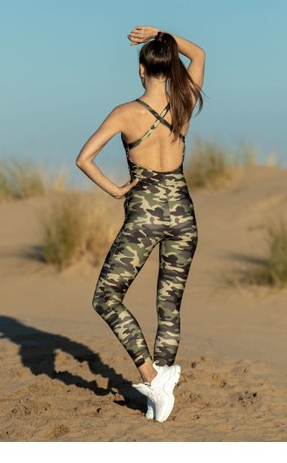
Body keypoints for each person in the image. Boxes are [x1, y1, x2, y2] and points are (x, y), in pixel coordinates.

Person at [75, 25, 205, 422]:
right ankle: (158, 398)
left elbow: (84, 159)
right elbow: (199, 54)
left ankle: (151, 376)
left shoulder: (125, 113)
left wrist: (116, 191)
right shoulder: (184, 101)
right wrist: (163, 32)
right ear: (172, 68)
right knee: (169, 305)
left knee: (106, 297)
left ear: (141, 70)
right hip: (183, 213)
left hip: (145, 217)